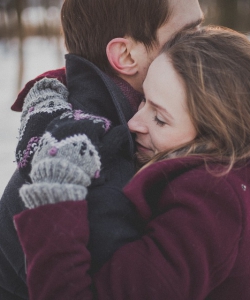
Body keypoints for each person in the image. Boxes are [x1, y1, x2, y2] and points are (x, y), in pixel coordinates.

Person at [13, 26, 250, 299]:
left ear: (217, 136)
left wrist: (54, 196)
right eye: (143, 100)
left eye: (160, 118)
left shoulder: (209, 205)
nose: (133, 123)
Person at [0, 0, 203, 299]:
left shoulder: (142, 129)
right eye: (189, 34)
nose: (207, 44)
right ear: (125, 55)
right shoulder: (94, 166)